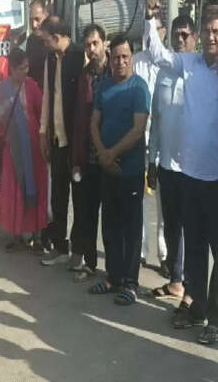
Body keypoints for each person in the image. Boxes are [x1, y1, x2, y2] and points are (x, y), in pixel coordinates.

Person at [144, 7, 218, 345]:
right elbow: (158, 55)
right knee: (193, 249)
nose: (211, 36)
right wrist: (150, 21)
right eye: (207, 30)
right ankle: (197, 307)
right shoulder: (188, 63)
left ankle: (216, 320)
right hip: (190, 174)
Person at [86, 35, 151, 306]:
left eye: (125, 57)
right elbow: (94, 123)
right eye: (116, 57)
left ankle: (130, 283)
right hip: (107, 169)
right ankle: (113, 277)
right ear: (110, 59)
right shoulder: (104, 87)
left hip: (130, 170)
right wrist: (102, 154)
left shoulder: (139, 88)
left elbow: (138, 129)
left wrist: (111, 154)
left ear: (131, 57)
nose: (120, 62)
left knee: (131, 229)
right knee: (110, 225)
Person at [147, 15, 197, 302]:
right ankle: (176, 280)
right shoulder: (164, 73)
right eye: (176, 35)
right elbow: (156, 120)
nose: (180, 40)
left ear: (194, 38)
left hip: (192, 167)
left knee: (192, 228)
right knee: (172, 225)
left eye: (185, 35)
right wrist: (152, 160)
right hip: (166, 165)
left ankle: (192, 287)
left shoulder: (200, 72)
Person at [0, 48, 49, 250]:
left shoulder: (32, 86)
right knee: (14, 191)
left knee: (35, 188)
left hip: (34, 150)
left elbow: (43, 114)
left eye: (26, 67)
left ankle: (37, 237)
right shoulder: (2, 92)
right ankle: (16, 235)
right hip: (13, 150)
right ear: (12, 69)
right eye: (21, 68)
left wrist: (45, 141)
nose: (25, 71)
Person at [38, 20, 86, 265]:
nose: (45, 45)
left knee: (79, 198)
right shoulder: (50, 59)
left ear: (56, 37)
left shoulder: (79, 56)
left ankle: (78, 252)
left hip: (76, 141)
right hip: (57, 138)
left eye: (46, 40)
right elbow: (48, 95)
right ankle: (59, 246)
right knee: (58, 196)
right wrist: (43, 131)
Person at [67, 24, 110, 279]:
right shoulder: (85, 77)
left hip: (113, 157)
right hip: (90, 158)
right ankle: (90, 263)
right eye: (87, 45)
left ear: (104, 43)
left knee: (113, 218)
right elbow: (79, 120)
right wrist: (76, 160)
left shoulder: (116, 71)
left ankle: (115, 271)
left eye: (95, 43)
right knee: (88, 214)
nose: (92, 49)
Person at [132, 0, 167, 271]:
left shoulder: (171, 63)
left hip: (165, 143)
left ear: (162, 32)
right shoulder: (136, 62)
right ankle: (140, 251)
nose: (150, 33)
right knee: (140, 201)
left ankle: (165, 255)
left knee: (165, 203)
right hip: (140, 140)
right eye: (147, 28)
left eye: (155, 28)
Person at [26, 0, 50, 87]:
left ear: (46, 16)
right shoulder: (31, 40)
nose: (33, 25)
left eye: (37, 19)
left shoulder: (56, 40)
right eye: (31, 20)